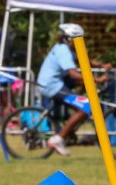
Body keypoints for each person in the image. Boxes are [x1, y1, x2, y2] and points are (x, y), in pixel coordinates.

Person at [37, 23, 112, 156]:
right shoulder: (64, 51)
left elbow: (86, 62)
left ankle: (75, 105)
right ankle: (58, 139)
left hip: (56, 82)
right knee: (86, 107)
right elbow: (73, 74)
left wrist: (102, 65)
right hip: (52, 85)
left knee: (83, 85)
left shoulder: (67, 49)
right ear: (69, 39)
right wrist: (97, 80)